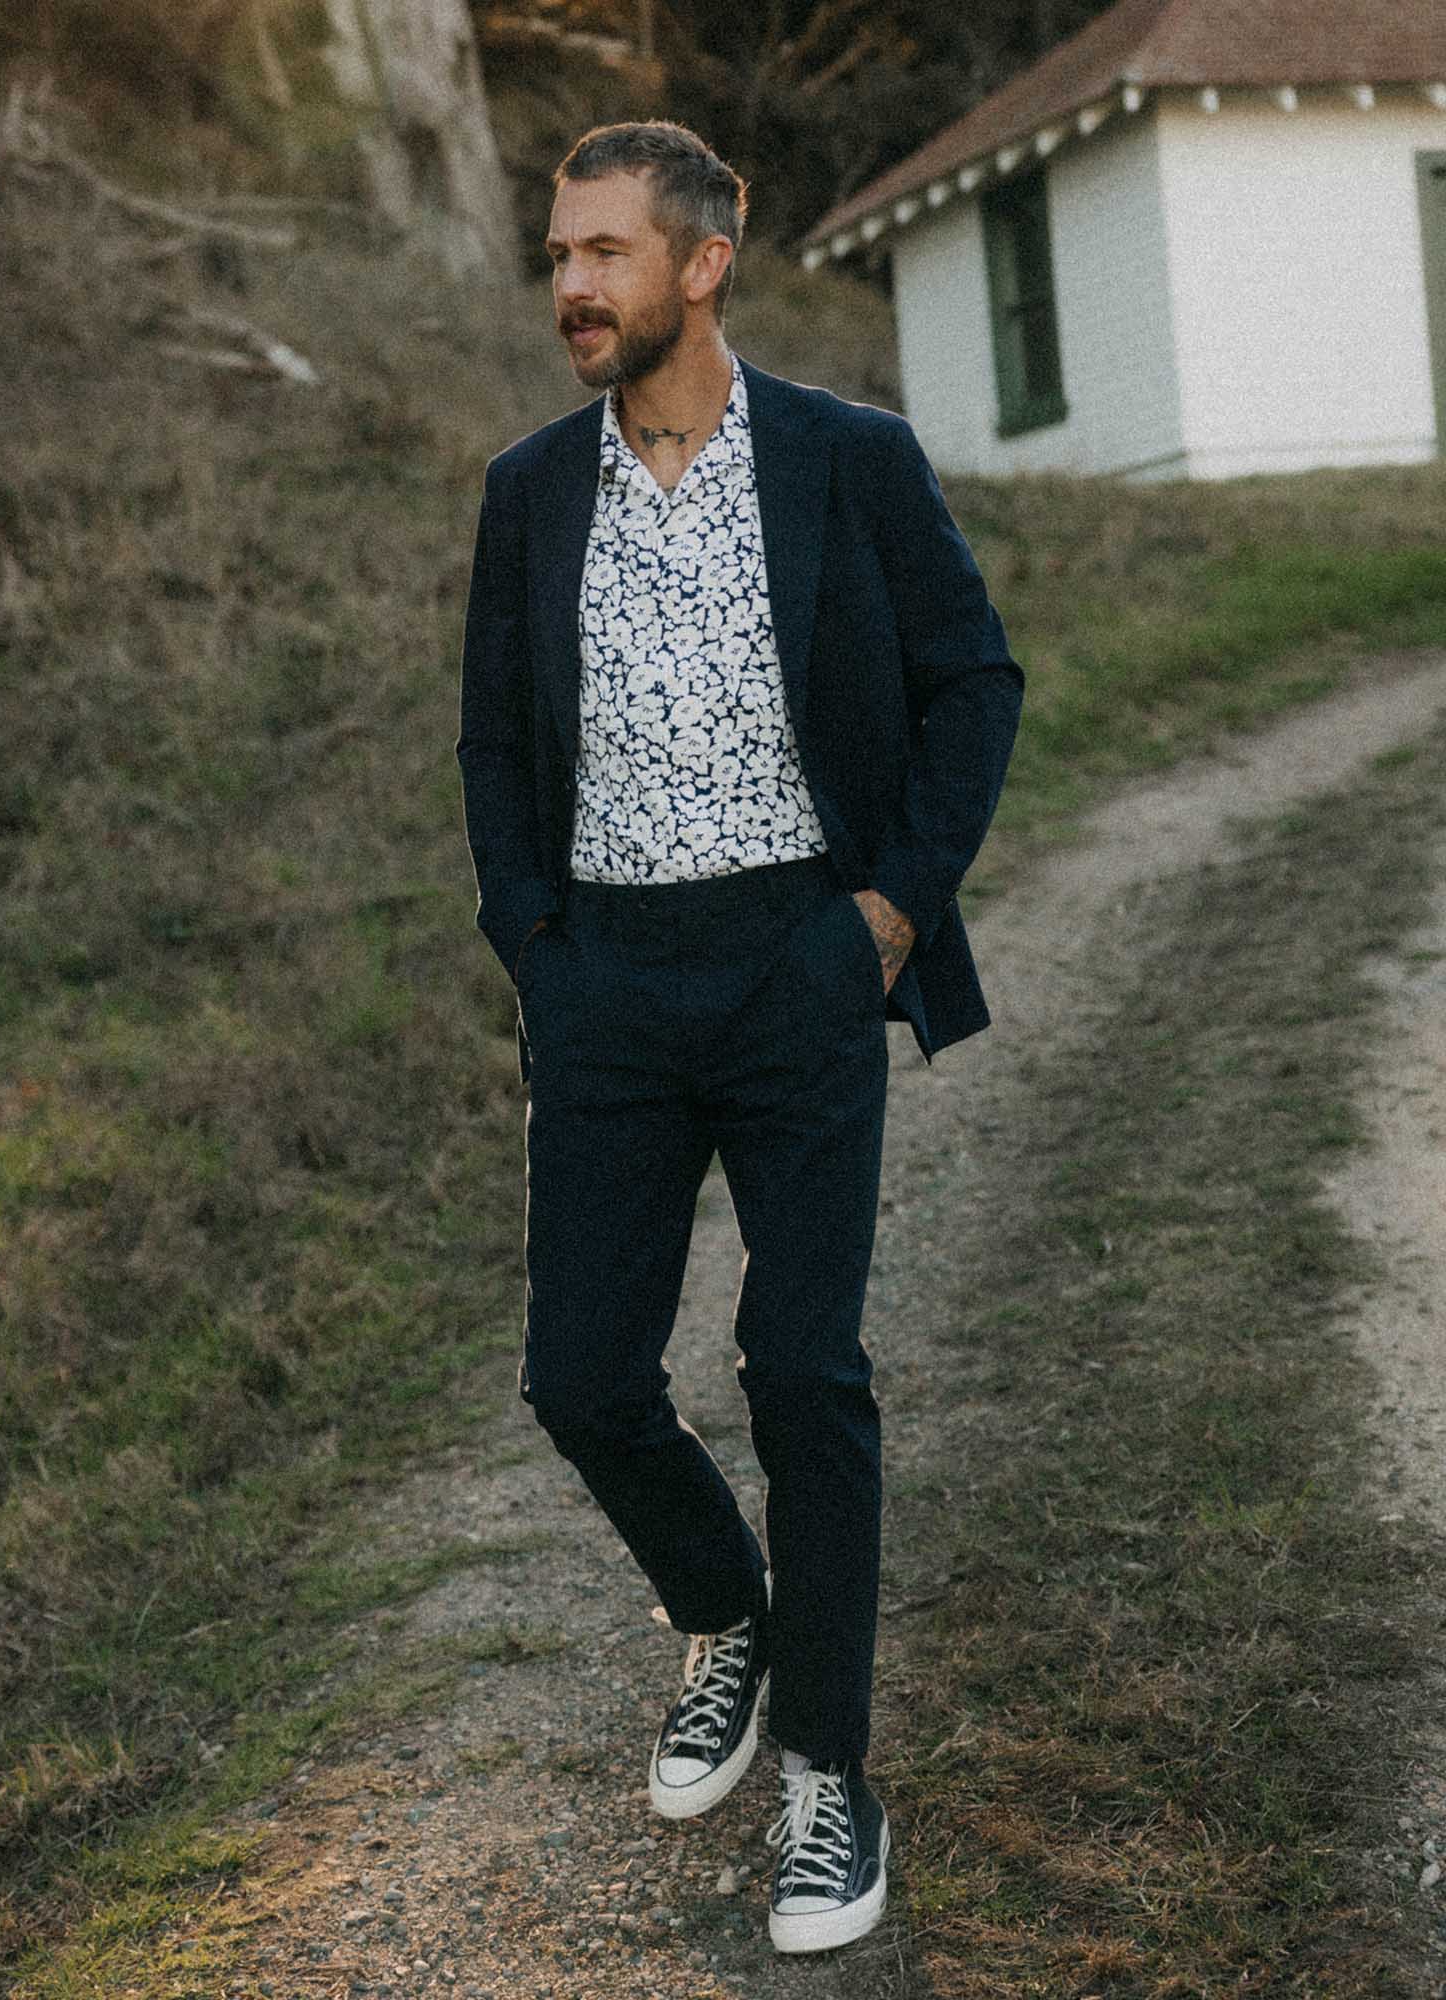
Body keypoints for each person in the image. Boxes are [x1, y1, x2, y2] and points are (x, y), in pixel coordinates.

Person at [457, 120, 1021, 1955]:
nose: (569, 286)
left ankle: (830, 1783)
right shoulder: (531, 493)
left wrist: (884, 914)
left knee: (802, 1366)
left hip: (799, 959)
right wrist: (538, 954)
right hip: (608, 978)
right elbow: (491, 744)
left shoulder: (849, 463)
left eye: (605, 252)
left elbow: (973, 681)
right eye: (559, 252)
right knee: (581, 1376)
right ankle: (730, 1608)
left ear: (704, 262)